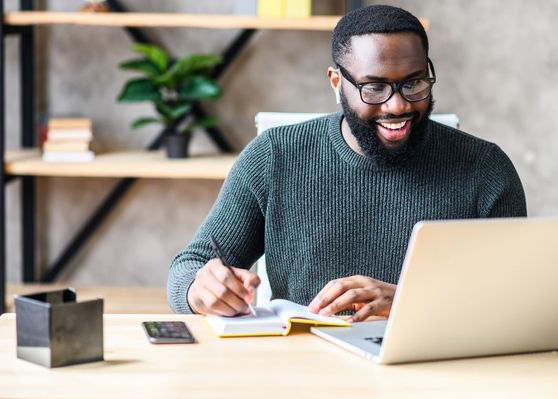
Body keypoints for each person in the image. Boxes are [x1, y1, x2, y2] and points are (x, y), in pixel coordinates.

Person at [167, 5, 527, 322]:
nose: (397, 106)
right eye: (374, 88)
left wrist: (405, 300)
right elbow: (187, 268)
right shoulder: (274, 156)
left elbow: (518, 299)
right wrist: (201, 289)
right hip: (303, 367)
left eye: (413, 83)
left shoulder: (485, 169)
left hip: (435, 368)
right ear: (337, 83)